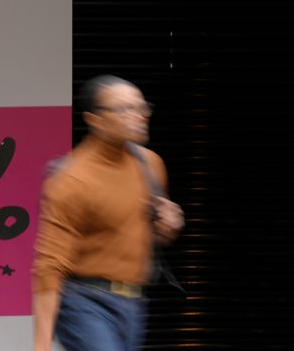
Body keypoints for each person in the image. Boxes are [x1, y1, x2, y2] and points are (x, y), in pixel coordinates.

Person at [32, 75, 185, 351]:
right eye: (124, 109)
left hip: (133, 303)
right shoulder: (71, 180)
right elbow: (49, 268)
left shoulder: (150, 164)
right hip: (84, 301)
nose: (138, 115)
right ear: (94, 120)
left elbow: (144, 235)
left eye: (141, 107)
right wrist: (41, 346)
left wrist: (168, 225)